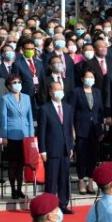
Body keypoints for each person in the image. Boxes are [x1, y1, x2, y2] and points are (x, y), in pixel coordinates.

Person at [37, 84, 74, 213]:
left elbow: (69, 128)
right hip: (51, 149)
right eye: (56, 90)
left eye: (61, 90)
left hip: (65, 148)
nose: (59, 92)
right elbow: (41, 131)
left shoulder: (68, 108)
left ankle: (63, 204)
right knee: (51, 179)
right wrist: (42, 150)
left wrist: (71, 146)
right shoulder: (45, 109)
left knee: (64, 177)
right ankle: (50, 205)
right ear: (51, 92)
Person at [0, 74, 34, 200]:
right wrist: (4, 135)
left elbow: (29, 116)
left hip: (25, 134)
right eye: (15, 82)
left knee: (22, 164)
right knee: (13, 164)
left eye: (19, 82)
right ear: (9, 85)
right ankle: (13, 189)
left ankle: (20, 189)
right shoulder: (5, 99)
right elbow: (3, 118)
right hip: (12, 135)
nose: (18, 84)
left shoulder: (26, 97)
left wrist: (31, 135)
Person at [72, 69, 104, 195]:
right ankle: (81, 180)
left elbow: (100, 111)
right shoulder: (76, 92)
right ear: (82, 79)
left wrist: (100, 127)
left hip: (94, 129)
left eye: (92, 77)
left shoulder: (97, 92)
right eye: (88, 76)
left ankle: (91, 181)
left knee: (93, 156)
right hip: (81, 128)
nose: (90, 79)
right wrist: (72, 129)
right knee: (81, 156)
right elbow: (72, 111)